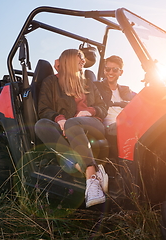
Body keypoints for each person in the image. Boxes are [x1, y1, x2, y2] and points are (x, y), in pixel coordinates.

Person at [34, 49, 108, 208]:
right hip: (67, 125)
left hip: (91, 123)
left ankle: (91, 177)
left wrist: (90, 111)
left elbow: (102, 107)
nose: (83, 61)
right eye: (79, 58)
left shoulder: (88, 82)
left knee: (73, 123)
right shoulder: (51, 82)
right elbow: (43, 109)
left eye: (83, 59)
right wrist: (59, 119)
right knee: (41, 125)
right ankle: (87, 170)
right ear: (67, 61)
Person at [95, 55, 136, 135]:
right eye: (108, 69)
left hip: (128, 124)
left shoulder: (126, 90)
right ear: (104, 70)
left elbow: (142, 100)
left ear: (121, 72)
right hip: (109, 128)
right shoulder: (97, 87)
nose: (110, 72)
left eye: (115, 70)